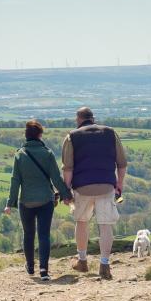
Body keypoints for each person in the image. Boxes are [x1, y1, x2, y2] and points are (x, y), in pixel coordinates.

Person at [61, 106, 127, 280]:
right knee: (105, 225)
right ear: (93, 118)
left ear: (78, 119)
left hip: (82, 187)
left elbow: (68, 168)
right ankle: (104, 264)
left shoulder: (72, 136)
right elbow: (122, 163)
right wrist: (119, 185)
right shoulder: (110, 133)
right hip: (106, 186)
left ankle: (82, 261)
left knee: (82, 222)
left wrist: (66, 191)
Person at [5, 120, 72, 281]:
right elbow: (56, 178)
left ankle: (30, 267)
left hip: (26, 202)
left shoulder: (20, 155)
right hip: (45, 201)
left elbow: (15, 181)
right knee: (44, 235)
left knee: (28, 234)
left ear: (26, 135)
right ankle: (44, 270)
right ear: (40, 135)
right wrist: (66, 195)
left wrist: (10, 203)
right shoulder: (47, 154)